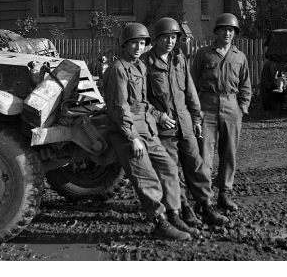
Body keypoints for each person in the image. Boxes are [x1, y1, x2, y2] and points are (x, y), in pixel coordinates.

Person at [102, 22, 190, 241]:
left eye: (142, 43)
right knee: (147, 177)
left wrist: (159, 116)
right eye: (134, 43)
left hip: (147, 128)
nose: (138, 47)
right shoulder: (118, 69)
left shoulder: (140, 67)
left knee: (169, 167)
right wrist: (132, 137)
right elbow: (118, 107)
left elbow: (143, 103)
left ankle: (173, 214)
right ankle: (160, 222)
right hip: (127, 132)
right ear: (124, 45)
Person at [141, 18, 229, 229]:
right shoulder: (145, 63)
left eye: (173, 37)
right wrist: (158, 115)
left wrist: (196, 118)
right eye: (166, 37)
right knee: (171, 172)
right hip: (165, 128)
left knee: (195, 166)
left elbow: (189, 91)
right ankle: (183, 210)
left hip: (185, 124)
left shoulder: (178, 59)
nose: (170, 41)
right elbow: (140, 100)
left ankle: (205, 206)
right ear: (157, 38)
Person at [191, 13, 251, 211]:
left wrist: (242, 108)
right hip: (207, 104)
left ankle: (224, 193)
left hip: (231, 106)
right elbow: (191, 82)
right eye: (224, 29)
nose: (227, 33)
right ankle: (204, 197)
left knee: (229, 152)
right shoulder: (204, 54)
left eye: (231, 30)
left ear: (235, 34)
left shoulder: (239, 57)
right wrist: (195, 109)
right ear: (216, 31)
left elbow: (245, 85)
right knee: (204, 153)